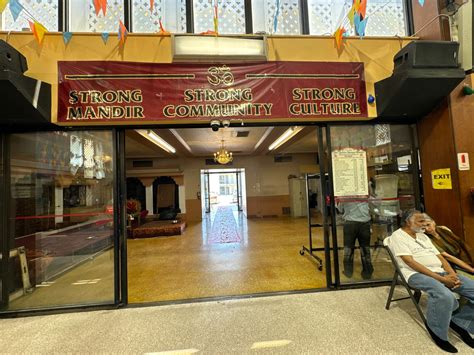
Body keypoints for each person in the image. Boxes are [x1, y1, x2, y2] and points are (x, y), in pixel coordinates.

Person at [390, 209, 474, 353]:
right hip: (415, 274)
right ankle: (437, 330)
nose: (424, 224)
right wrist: (442, 279)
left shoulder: (423, 236)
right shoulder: (397, 236)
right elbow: (410, 262)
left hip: (440, 271)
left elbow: (441, 258)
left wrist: (452, 275)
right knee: (445, 295)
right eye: (420, 221)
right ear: (408, 222)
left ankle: (457, 320)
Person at [337, 199, 373, 279]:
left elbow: (340, 209)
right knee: (365, 249)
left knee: (348, 249)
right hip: (365, 223)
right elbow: (373, 206)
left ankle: (348, 272)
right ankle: (367, 272)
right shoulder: (365, 193)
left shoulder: (346, 194)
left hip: (350, 223)